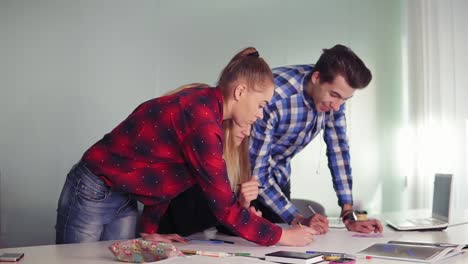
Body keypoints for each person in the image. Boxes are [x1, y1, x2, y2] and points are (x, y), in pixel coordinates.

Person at [55, 47, 318, 247]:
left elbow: (163, 178)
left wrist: (150, 232)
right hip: (93, 188)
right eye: (261, 105)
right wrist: (282, 235)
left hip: (124, 196)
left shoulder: (208, 113)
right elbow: (224, 208)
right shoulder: (202, 118)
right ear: (240, 92)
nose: (261, 115)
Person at [249, 44, 383, 234]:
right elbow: (257, 172)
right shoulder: (275, 96)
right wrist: (297, 217)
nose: (337, 107)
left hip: (278, 178)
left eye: (344, 100)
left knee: (285, 244)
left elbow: (338, 149)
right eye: (335, 96)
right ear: (316, 77)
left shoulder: (334, 100)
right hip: (244, 179)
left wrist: (348, 214)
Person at [158, 120, 261, 236]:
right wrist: (237, 211)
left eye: (250, 125)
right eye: (242, 123)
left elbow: (226, 228)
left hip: (203, 244)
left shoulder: (239, 160)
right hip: (171, 241)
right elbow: (186, 223)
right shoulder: (194, 154)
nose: (247, 132)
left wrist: (244, 208)